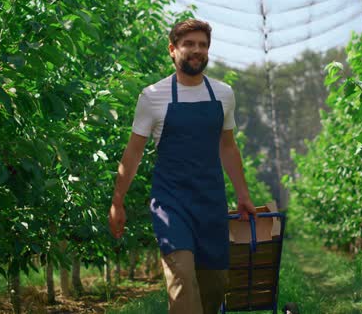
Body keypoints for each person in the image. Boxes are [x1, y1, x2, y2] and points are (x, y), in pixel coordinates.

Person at [108, 18, 257, 314]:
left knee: (214, 285)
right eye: (189, 44)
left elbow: (227, 147)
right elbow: (134, 152)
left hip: (211, 203)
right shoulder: (153, 97)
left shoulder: (223, 94)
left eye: (202, 45)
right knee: (182, 279)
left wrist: (243, 195)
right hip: (171, 204)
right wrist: (117, 201)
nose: (197, 50)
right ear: (172, 50)